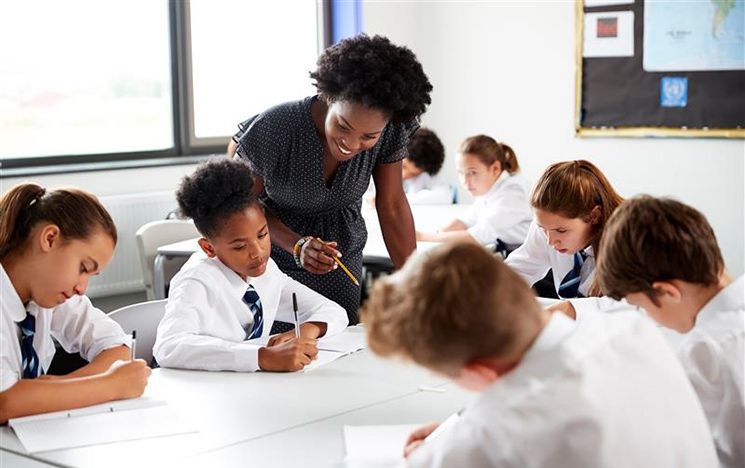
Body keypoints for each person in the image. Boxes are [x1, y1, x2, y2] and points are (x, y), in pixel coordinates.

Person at [361, 242, 718, 468]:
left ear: (478, 371)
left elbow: (508, 422)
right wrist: (459, 428)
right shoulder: (630, 331)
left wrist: (441, 450)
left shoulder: (492, 437)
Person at [228, 34, 432, 324]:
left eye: (368, 136)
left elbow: (393, 205)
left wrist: (415, 278)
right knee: (277, 350)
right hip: (268, 259)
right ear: (329, 97)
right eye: (343, 125)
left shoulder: (392, 129)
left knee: (337, 344)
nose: (351, 143)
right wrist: (297, 244)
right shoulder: (276, 127)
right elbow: (241, 207)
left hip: (339, 259)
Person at [153, 160, 348, 372]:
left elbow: (333, 311)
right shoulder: (197, 280)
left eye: (263, 235)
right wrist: (260, 357)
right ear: (208, 248)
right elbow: (168, 346)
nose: (258, 252)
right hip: (202, 390)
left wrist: (305, 331)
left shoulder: (266, 272)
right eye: (239, 246)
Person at [596, 196, 744, 468]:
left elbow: (695, 452)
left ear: (667, 292)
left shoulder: (705, 350)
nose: (649, 317)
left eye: (641, 306)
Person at [0, 184, 150, 423]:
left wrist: (54, 391)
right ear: (50, 239)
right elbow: (4, 402)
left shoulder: (47, 293)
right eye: (83, 268)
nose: (82, 288)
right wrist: (109, 385)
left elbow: (116, 347)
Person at [505, 160, 623, 315]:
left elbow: (635, 304)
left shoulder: (628, 238)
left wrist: (571, 310)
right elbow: (521, 267)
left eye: (561, 231)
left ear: (594, 215)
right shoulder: (548, 225)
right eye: (542, 229)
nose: (550, 241)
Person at [416, 135, 531, 252]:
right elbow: (467, 220)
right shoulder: (489, 188)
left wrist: (422, 237)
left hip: (535, 261)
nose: (465, 181)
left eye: (472, 173)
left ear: (495, 168)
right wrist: (438, 233)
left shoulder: (514, 191)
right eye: (461, 173)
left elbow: (479, 236)